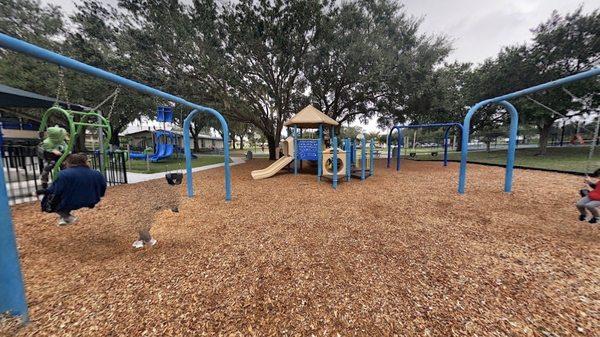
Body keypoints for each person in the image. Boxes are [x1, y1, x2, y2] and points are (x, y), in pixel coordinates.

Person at [41, 153, 106, 226]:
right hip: (92, 200)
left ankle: (66, 216)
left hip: (71, 201)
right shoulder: (97, 173)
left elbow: (56, 191)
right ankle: (64, 217)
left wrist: (42, 192)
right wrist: (98, 195)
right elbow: (103, 187)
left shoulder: (63, 174)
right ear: (85, 162)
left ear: (68, 163)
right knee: (66, 195)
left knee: (50, 200)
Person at [37, 125, 68, 192]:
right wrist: (52, 151)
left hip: (60, 157)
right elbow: (43, 149)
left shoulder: (62, 141)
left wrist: (67, 151)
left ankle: (65, 181)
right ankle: (44, 182)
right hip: (50, 158)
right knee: (48, 167)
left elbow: (65, 147)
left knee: (65, 167)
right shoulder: (47, 142)